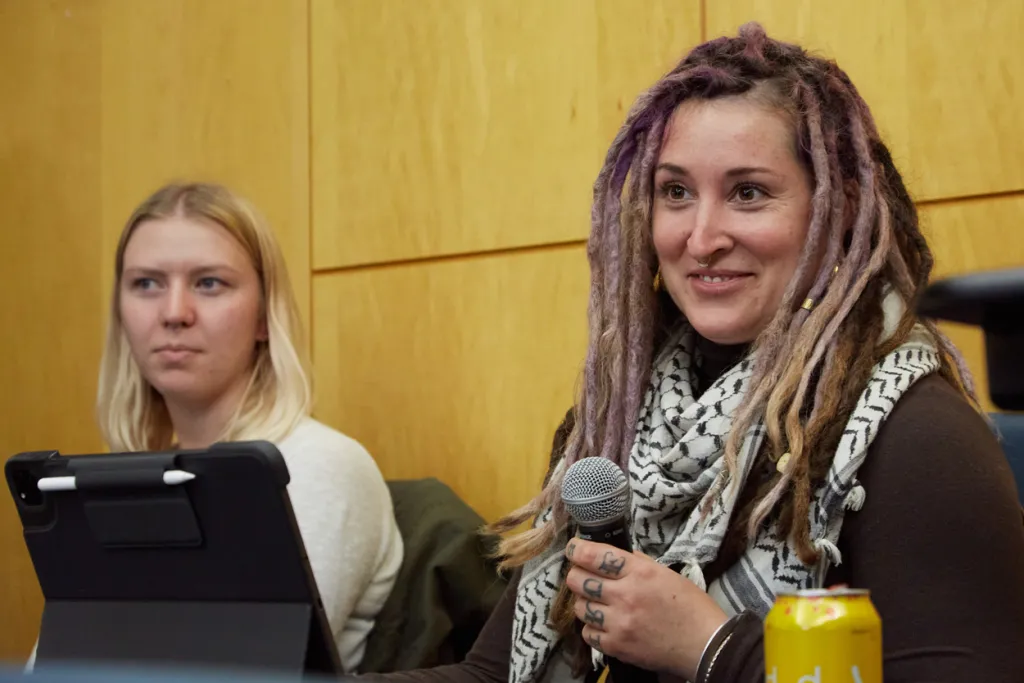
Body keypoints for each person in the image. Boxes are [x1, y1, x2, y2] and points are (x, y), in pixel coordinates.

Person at [356, 22, 1024, 683]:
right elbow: (490, 674)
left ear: (839, 206)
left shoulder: (918, 434)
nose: (701, 238)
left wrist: (710, 647)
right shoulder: (620, 422)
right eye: (676, 192)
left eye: (748, 193)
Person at [94, 181, 404, 672]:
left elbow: (246, 671)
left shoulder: (317, 465)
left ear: (264, 316)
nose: (174, 313)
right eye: (147, 283)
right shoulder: (121, 483)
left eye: (209, 282)